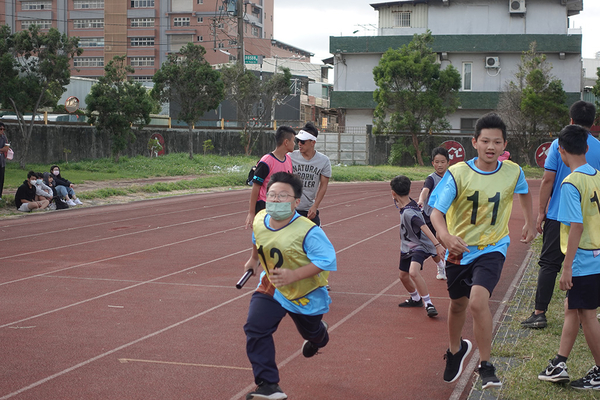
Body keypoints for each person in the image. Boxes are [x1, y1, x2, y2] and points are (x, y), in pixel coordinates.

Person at [429, 113, 535, 388]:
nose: (491, 146)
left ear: (504, 145)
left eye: (496, 142)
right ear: (474, 142)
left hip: (493, 247)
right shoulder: (457, 174)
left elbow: (523, 191)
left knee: (477, 301)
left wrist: (528, 221)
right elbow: (436, 213)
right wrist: (445, 236)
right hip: (459, 249)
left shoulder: (513, 171)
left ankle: (486, 365)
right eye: (485, 141)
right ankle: (455, 350)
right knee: (458, 305)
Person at [242, 172, 336, 400]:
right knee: (255, 327)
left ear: (296, 202)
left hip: (306, 293)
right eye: (272, 195)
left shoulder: (309, 231)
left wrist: (295, 275)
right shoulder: (260, 218)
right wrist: (254, 259)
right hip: (272, 285)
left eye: (283, 196)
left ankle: (319, 335)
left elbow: (327, 260)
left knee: (312, 333)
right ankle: (268, 385)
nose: (275, 200)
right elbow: (258, 237)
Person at [522, 100, 600, 329]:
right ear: (593, 122)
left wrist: (541, 211)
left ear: (571, 120)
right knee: (588, 262)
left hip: (559, 213)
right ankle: (584, 310)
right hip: (591, 217)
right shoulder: (597, 146)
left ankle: (539, 313)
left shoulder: (559, 144)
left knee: (549, 263)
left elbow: (548, 179)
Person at [537, 124, 600, 389]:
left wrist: (567, 266)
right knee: (571, 308)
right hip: (596, 254)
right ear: (586, 148)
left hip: (584, 258)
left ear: (561, 151)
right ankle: (559, 363)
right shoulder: (597, 175)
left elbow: (577, 225)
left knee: (587, 314)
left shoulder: (570, 183)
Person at [392, 175, 445, 318]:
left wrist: (437, 244)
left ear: (393, 193)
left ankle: (429, 304)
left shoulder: (410, 213)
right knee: (403, 276)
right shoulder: (409, 204)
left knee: (413, 272)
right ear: (409, 190)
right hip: (406, 246)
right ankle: (415, 299)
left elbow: (424, 227)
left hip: (418, 246)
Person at [245, 126, 295, 230]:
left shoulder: (288, 159)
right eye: (293, 141)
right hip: (265, 206)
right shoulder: (267, 161)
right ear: (286, 142)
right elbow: (256, 187)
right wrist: (251, 213)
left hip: (281, 206)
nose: (295, 144)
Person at [290, 122, 332, 227]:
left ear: (312, 142)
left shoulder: (324, 161)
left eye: (303, 142)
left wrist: (315, 206)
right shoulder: (290, 157)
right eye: (298, 140)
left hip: (309, 210)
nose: (299, 143)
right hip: (291, 209)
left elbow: (323, 185)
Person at [417, 147, 450, 280]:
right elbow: (425, 191)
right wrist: (420, 200)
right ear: (432, 163)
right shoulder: (431, 178)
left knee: (445, 240)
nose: (440, 165)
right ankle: (441, 265)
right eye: (437, 162)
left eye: (443, 162)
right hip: (429, 216)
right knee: (432, 244)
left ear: (448, 162)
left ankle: (449, 265)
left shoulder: (451, 177)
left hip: (446, 215)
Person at [0, 122, 9, 202]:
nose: (2, 131)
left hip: (1, 161)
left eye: (3, 129)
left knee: (1, 179)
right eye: (0, 129)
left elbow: (6, 148)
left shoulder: (4, 137)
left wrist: (3, 150)